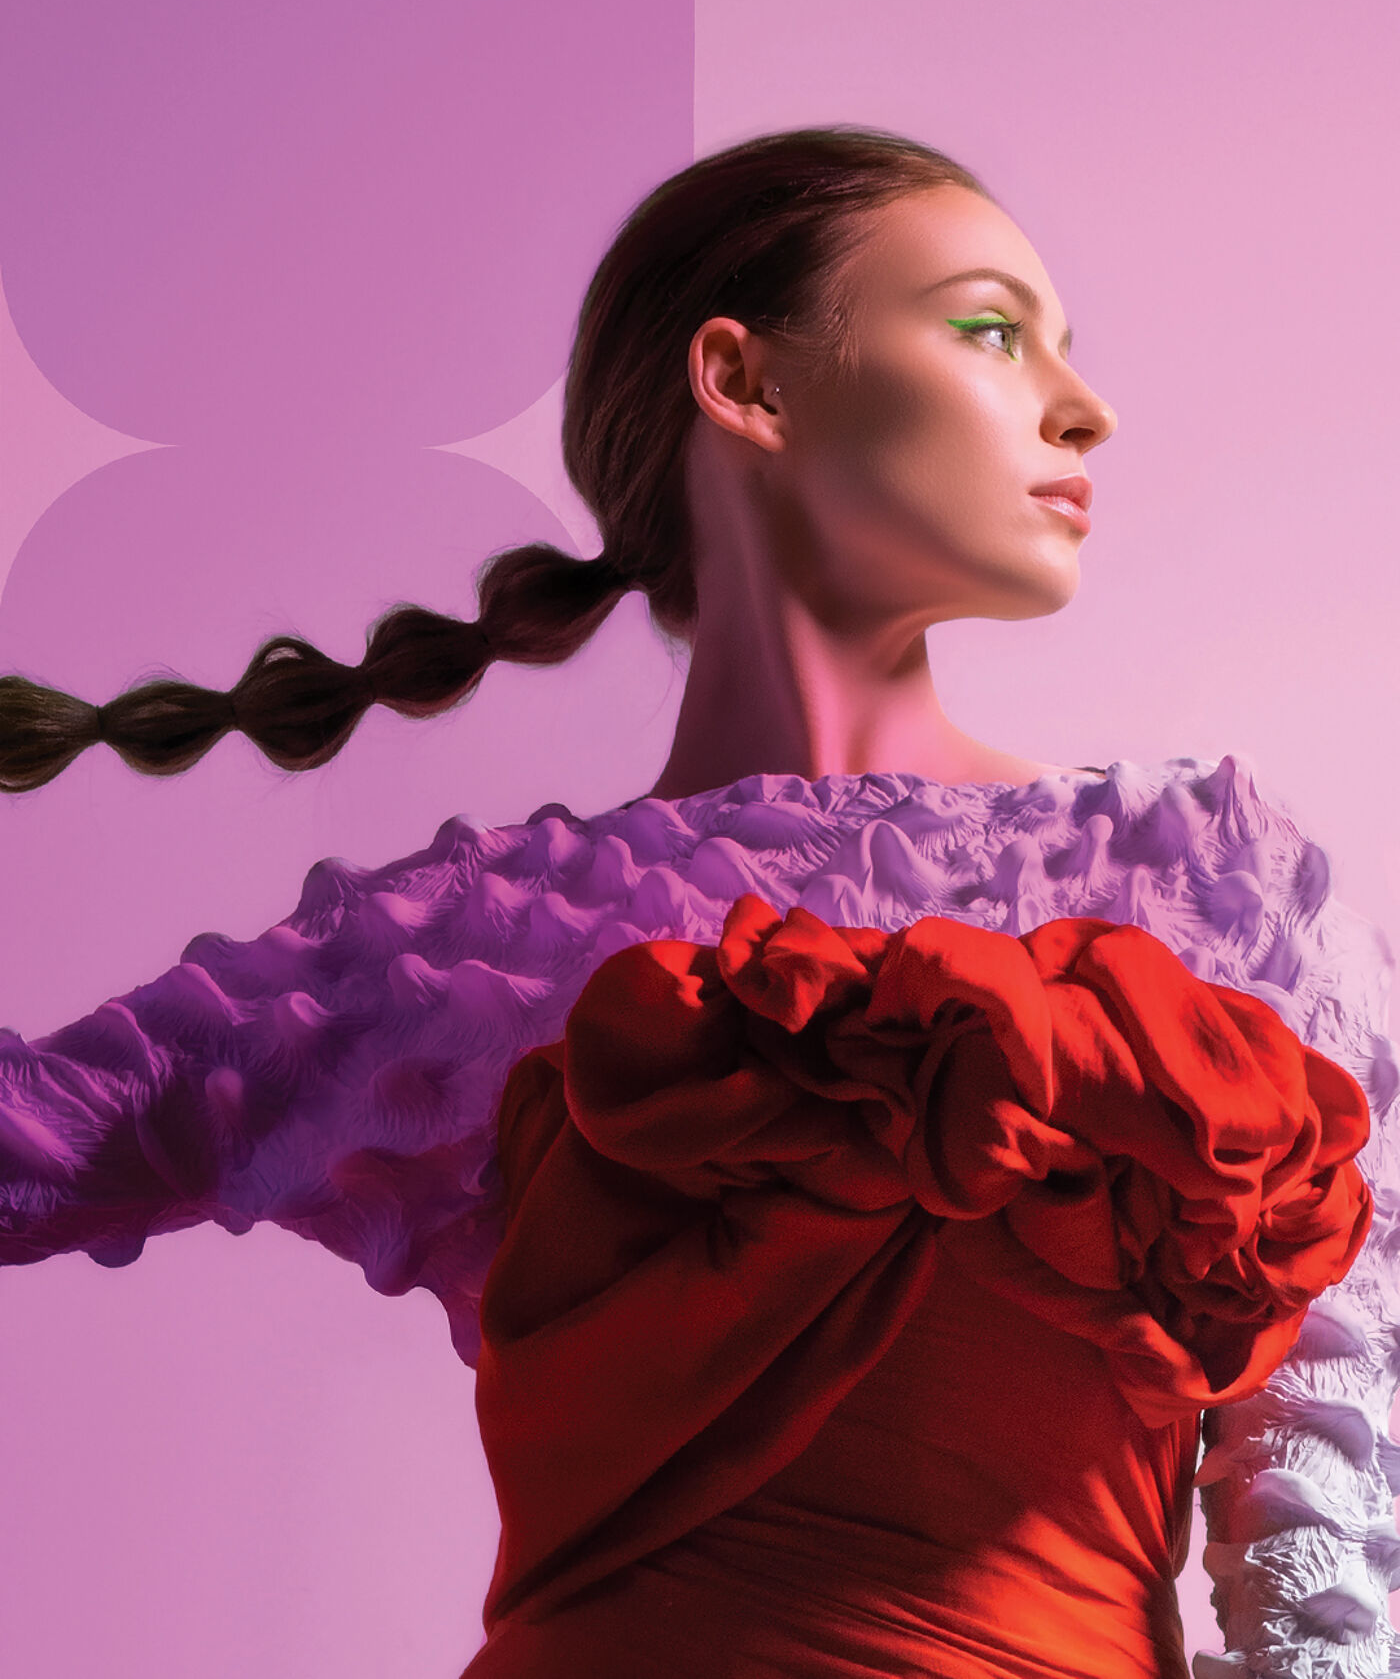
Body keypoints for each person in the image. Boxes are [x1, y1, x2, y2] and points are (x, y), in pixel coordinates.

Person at [0, 126, 1395, 1679]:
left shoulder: (1214, 882)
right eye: (994, 331)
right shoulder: (470, 940)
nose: (1086, 406)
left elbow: (1332, 1520)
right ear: (746, 382)